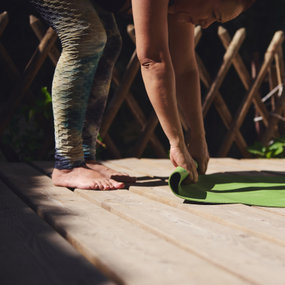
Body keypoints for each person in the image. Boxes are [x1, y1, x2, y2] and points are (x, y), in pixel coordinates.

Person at [29, 0, 254, 190]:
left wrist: (197, 137)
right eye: (213, 14)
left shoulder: (181, 8)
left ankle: (85, 157)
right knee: (86, 35)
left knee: (109, 41)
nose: (207, 24)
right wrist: (176, 143)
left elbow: (184, 68)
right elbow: (152, 60)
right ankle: (67, 164)